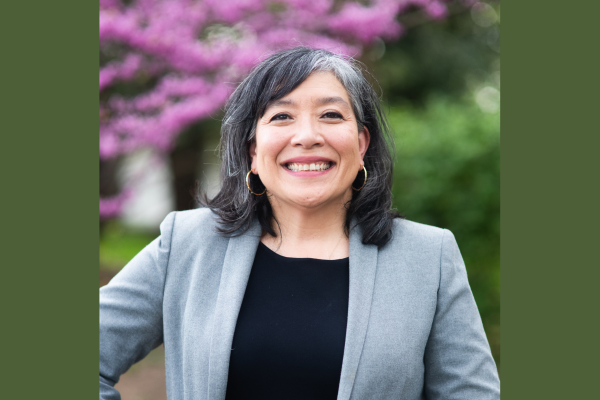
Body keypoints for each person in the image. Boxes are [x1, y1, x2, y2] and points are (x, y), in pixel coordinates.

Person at [100, 47, 500, 400]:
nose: (307, 136)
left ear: (361, 144)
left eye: (330, 114)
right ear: (253, 150)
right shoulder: (187, 244)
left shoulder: (427, 258)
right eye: (281, 116)